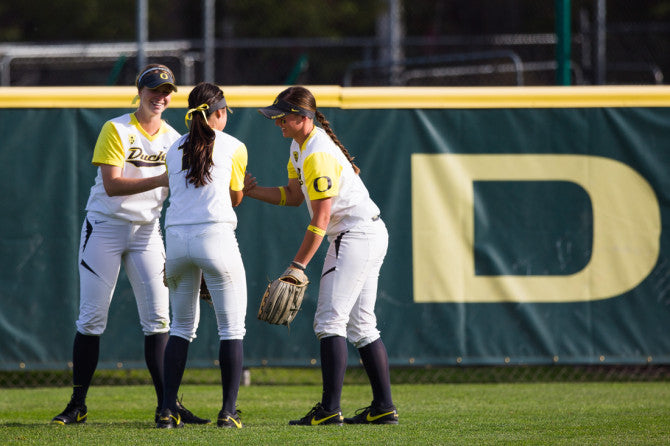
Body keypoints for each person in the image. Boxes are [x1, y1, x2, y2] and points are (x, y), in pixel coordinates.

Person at [52, 64, 209, 426]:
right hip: (105, 227)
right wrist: (162, 177)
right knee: (92, 318)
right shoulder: (117, 128)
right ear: (139, 92)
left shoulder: (174, 137)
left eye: (167, 90)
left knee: (158, 319)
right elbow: (112, 185)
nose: (161, 96)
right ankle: (78, 404)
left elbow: (186, 189)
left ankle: (167, 405)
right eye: (154, 89)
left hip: (146, 231)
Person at [245, 86, 398, 426]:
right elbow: (293, 197)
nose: (277, 122)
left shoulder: (316, 153)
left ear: (303, 117)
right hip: (362, 233)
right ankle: (384, 407)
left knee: (330, 321)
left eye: (282, 117)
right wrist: (253, 191)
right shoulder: (298, 146)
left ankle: (330, 410)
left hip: (355, 235)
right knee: (361, 325)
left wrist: (298, 265)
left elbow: (322, 217)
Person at [156, 82, 248, 429]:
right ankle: (228, 412)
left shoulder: (172, 147)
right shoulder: (234, 145)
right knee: (231, 328)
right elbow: (235, 197)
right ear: (219, 113)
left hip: (177, 241)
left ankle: (167, 410)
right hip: (216, 236)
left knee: (180, 327)